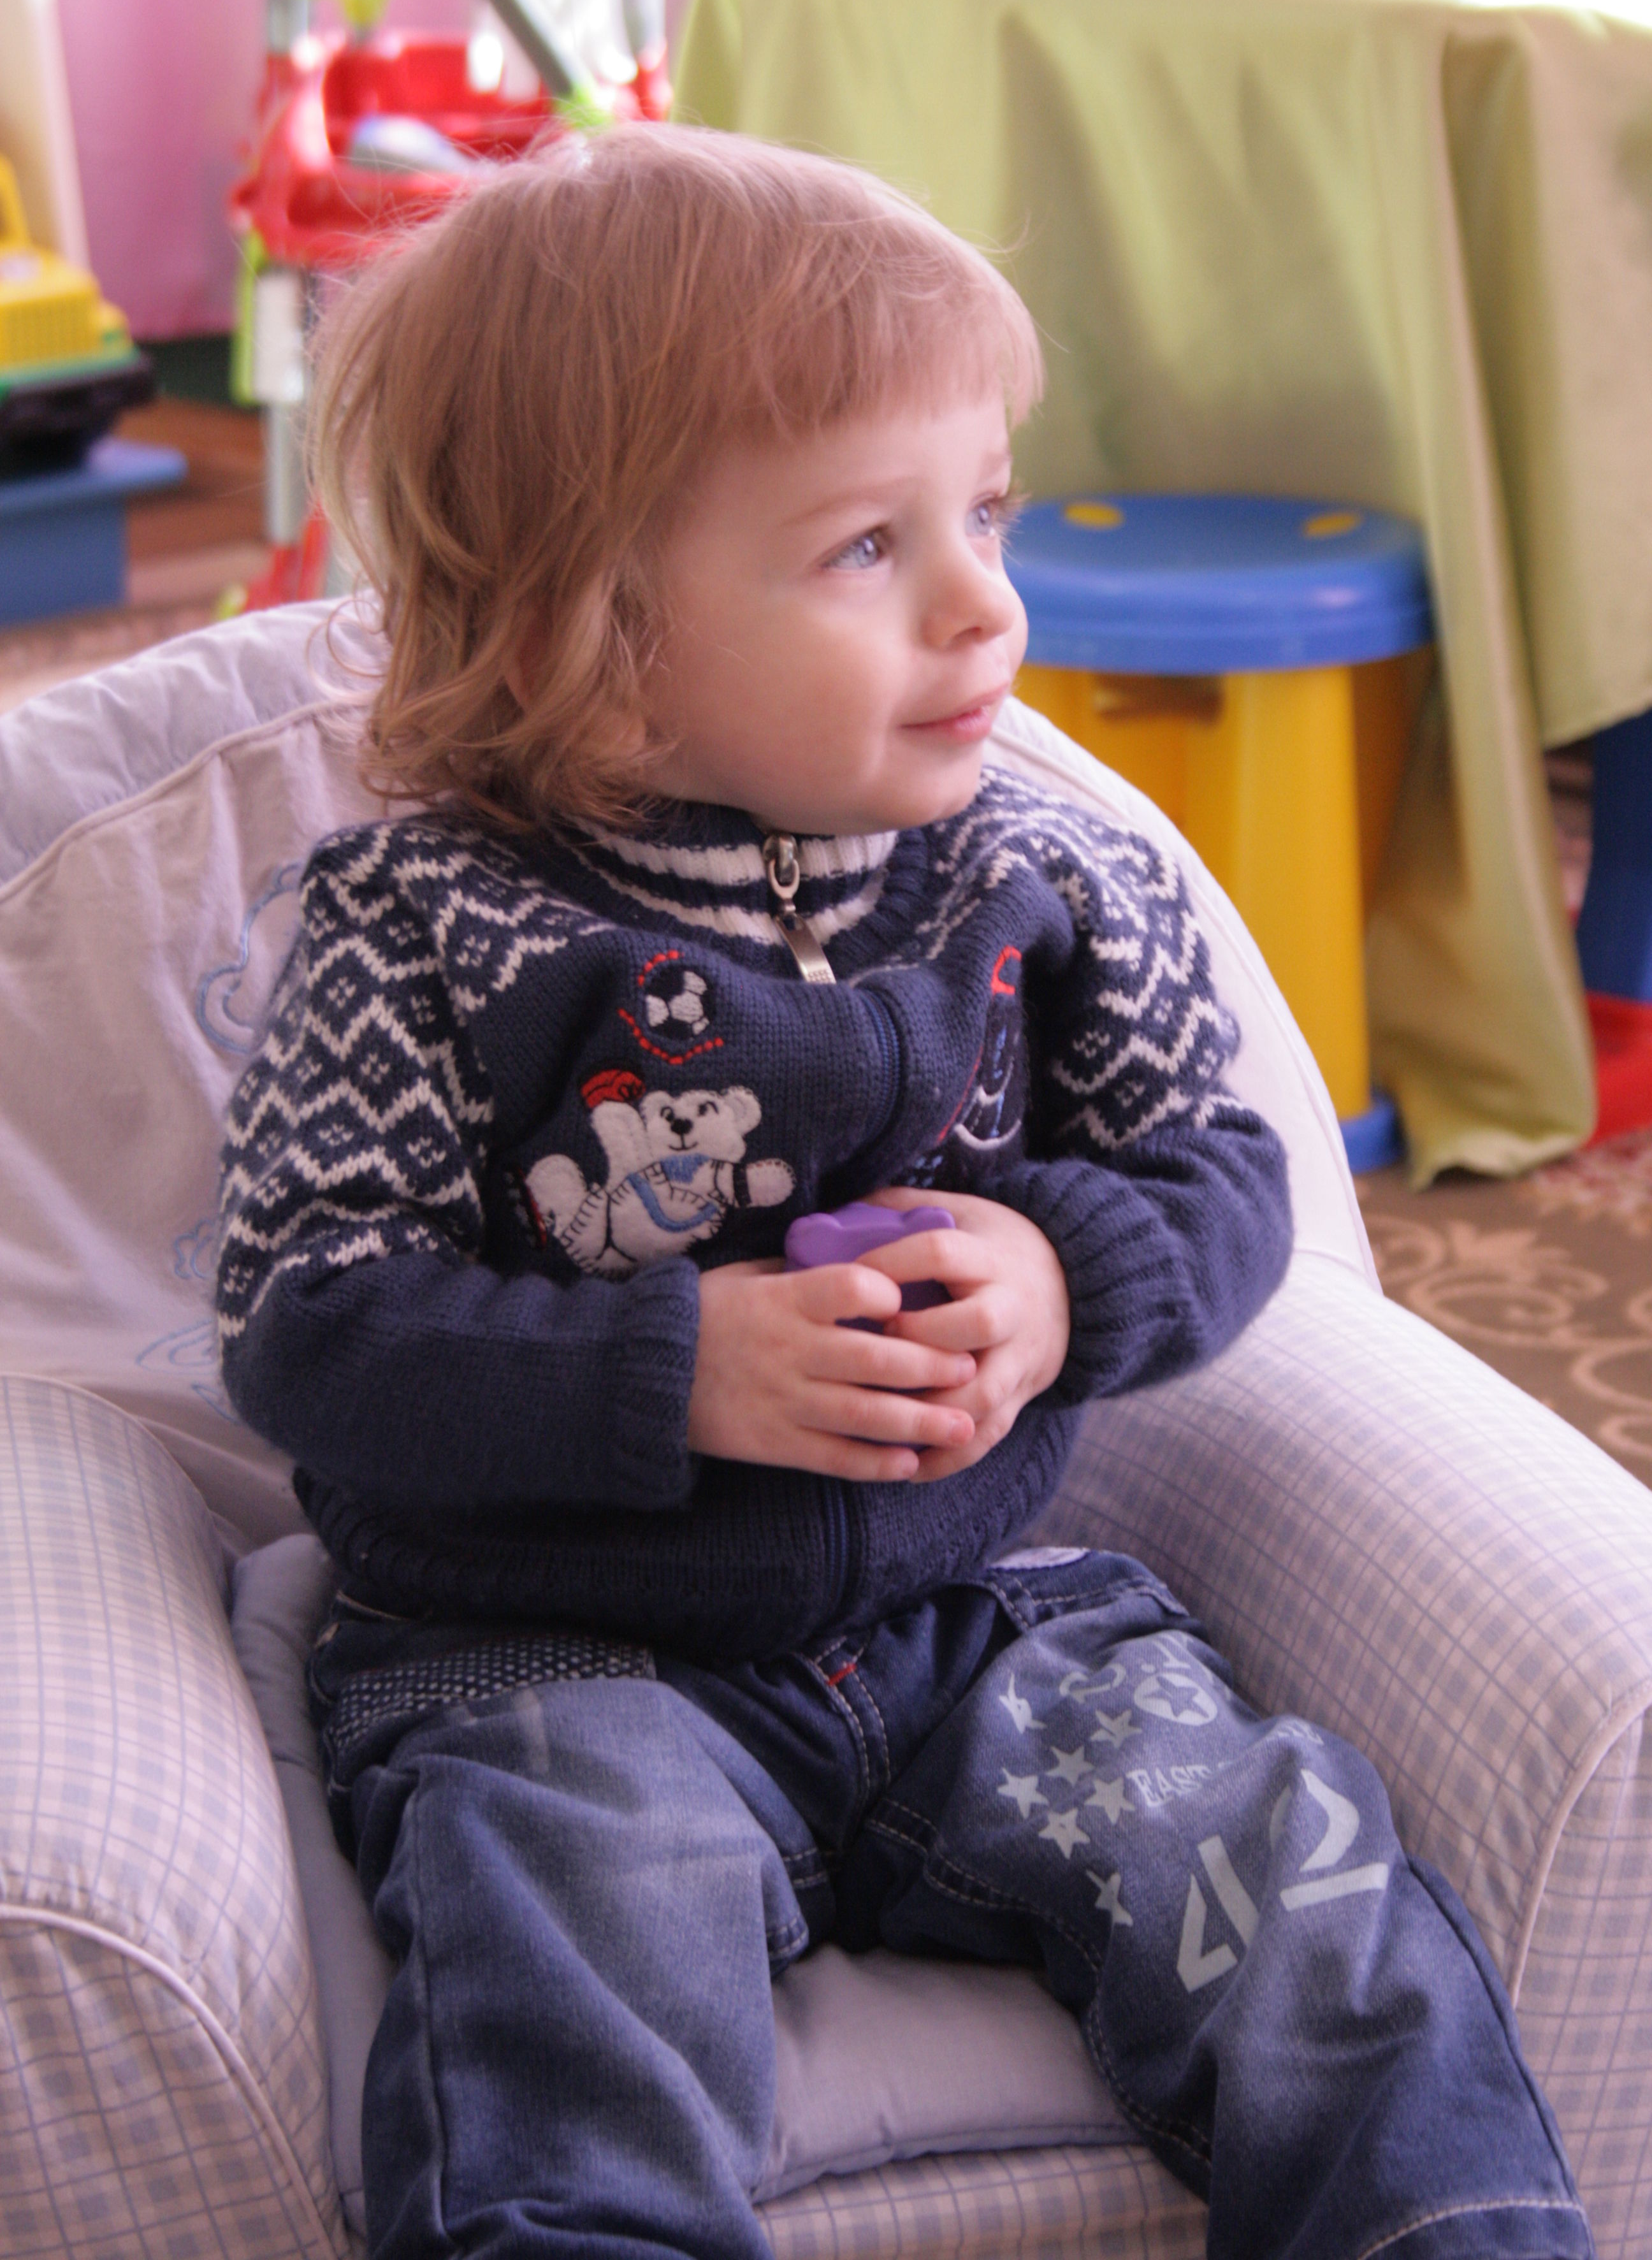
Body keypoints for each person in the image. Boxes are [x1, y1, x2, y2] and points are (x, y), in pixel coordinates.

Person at [216, 126, 1592, 2260]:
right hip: (545, 1661)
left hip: (979, 1631)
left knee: (1316, 1919)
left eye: (987, 511)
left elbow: (1230, 1175)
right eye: (869, 545)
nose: (986, 603)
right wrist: (674, 1368)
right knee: (569, 1991)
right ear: (593, 627)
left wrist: (1059, 1273)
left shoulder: (1044, 872)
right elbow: (308, 1323)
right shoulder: (425, 928)